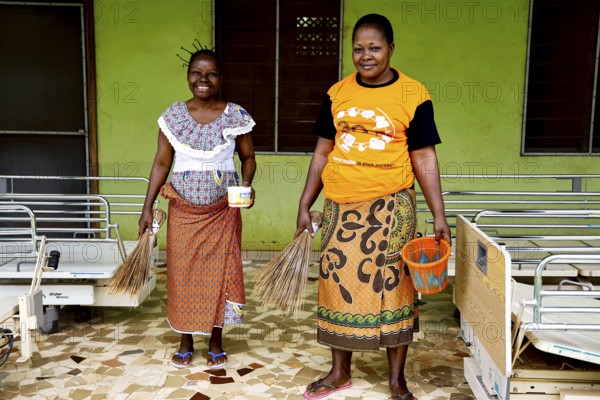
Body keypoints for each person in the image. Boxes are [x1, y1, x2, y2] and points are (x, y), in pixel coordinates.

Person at [295, 14, 451, 400]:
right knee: (335, 283)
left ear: (391, 49)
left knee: (395, 288)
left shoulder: (414, 95)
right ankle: (339, 372)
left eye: (375, 48)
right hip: (340, 207)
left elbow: (424, 158)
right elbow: (322, 152)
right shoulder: (337, 94)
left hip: (391, 207)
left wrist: (439, 214)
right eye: (359, 49)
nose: (366, 56)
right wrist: (304, 203)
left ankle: (397, 380)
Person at [138, 48, 256, 370]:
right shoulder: (173, 117)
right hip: (183, 213)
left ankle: (216, 339)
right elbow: (162, 162)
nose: (203, 80)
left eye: (211, 74)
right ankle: (186, 339)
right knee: (182, 274)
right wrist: (147, 206)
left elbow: (248, 158)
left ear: (221, 78)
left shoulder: (236, 116)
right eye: (196, 73)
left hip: (223, 212)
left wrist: (245, 185)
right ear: (187, 75)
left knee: (221, 274)